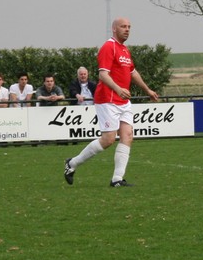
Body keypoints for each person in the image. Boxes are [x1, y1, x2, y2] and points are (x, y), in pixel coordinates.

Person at [64, 17, 160, 187]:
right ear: (114, 29)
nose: (127, 29)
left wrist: (147, 90)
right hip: (107, 99)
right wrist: (117, 88)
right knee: (108, 139)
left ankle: (117, 179)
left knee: (127, 136)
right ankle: (72, 163)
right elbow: (103, 74)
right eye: (123, 26)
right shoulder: (109, 47)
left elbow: (132, 72)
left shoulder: (125, 50)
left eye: (129, 26)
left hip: (123, 100)